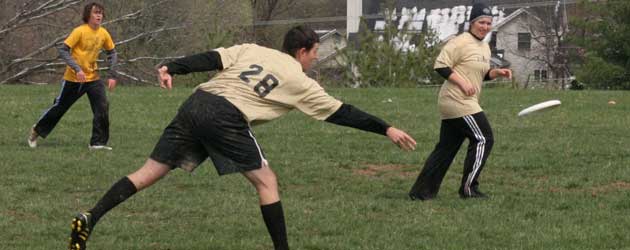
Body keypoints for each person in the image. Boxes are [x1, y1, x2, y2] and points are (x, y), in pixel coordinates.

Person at [67, 25, 417, 250]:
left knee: (147, 173)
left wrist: (172, 67)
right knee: (267, 182)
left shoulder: (253, 50)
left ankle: (90, 216)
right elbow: (342, 112)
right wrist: (386, 127)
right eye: (315, 53)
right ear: (304, 51)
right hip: (225, 116)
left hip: (195, 104)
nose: (315, 59)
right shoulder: (300, 80)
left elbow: (211, 58)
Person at [408, 1, 512, 201]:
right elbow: (441, 66)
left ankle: (421, 193)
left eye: (489, 23)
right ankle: (469, 189)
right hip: (456, 100)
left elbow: (478, 74)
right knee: (484, 138)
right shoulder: (460, 42)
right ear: (472, 22)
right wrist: (463, 84)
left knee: (446, 148)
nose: (485, 27)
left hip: (464, 101)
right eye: (481, 22)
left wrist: (495, 73)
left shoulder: (484, 47)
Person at [28, 2, 117, 150]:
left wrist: (112, 74)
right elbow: (63, 50)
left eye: (100, 13)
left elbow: (112, 52)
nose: (99, 15)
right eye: (96, 12)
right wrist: (77, 69)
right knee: (60, 107)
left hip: (93, 78)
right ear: (88, 15)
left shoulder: (103, 33)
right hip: (74, 79)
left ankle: (97, 143)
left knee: (102, 107)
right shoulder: (79, 31)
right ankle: (36, 131)